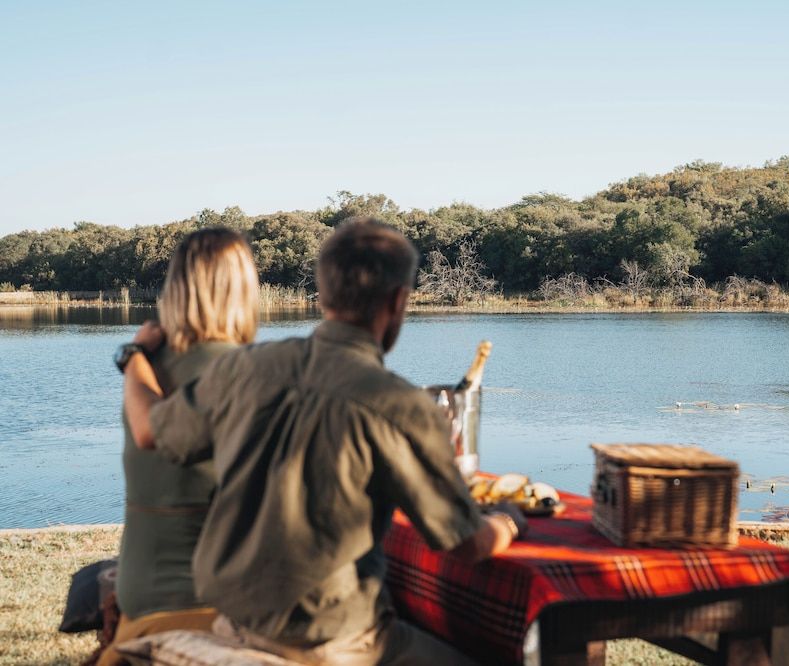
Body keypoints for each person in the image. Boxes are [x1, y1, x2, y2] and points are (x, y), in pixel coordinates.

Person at [121, 219, 525, 665]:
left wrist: (134, 355)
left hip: (235, 621)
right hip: (332, 639)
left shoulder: (245, 369)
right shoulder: (399, 405)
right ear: (398, 301)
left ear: (322, 293)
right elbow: (464, 543)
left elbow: (153, 427)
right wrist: (508, 522)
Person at [99, 228, 260, 666]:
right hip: (211, 610)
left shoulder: (145, 370)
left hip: (138, 595)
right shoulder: (243, 372)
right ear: (242, 288)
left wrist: (133, 354)